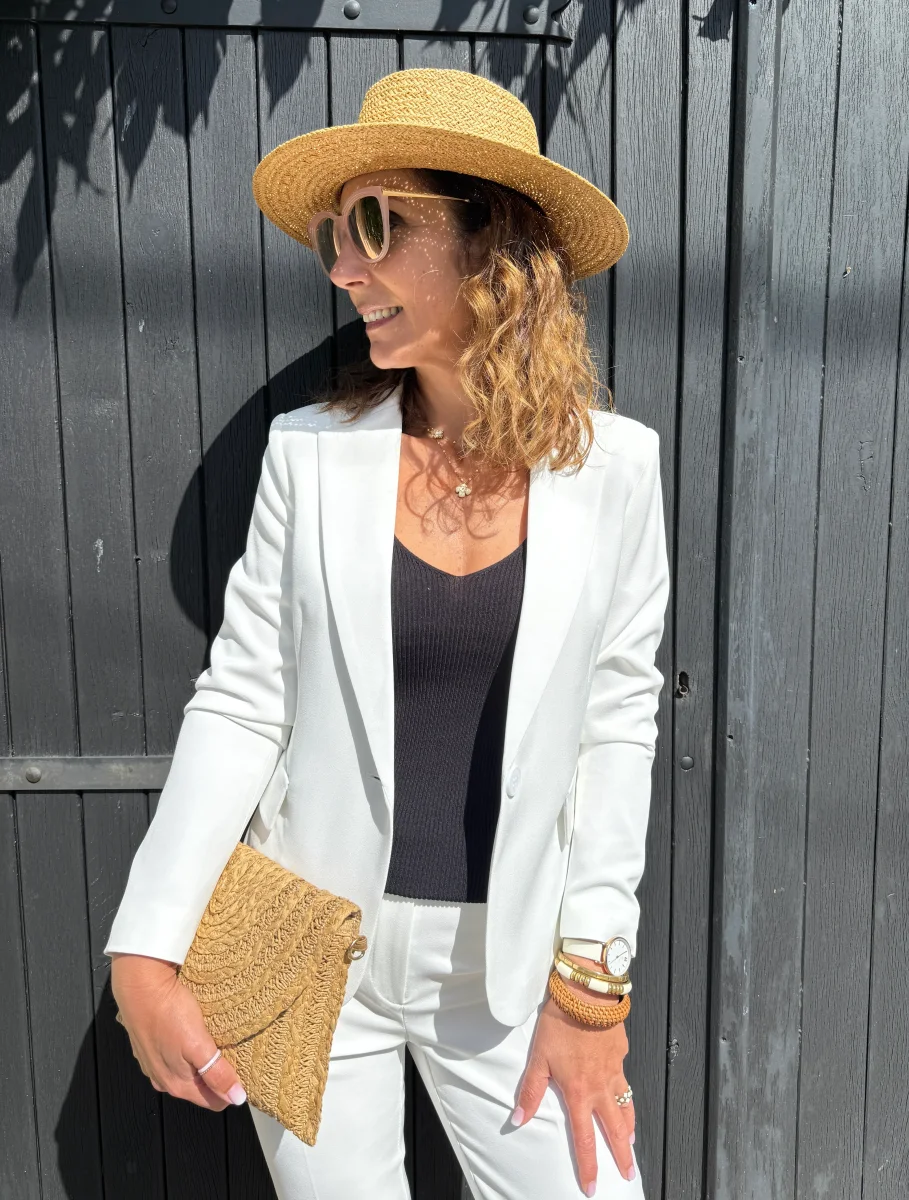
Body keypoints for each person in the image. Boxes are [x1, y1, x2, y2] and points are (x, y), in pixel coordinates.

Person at [105, 68, 670, 1199]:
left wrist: (591, 989)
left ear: (490, 243)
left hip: (510, 966)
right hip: (309, 948)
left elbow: (617, 724)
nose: (341, 268)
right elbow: (243, 698)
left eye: (375, 225)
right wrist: (145, 944)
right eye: (334, 233)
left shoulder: (616, 470)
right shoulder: (310, 455)